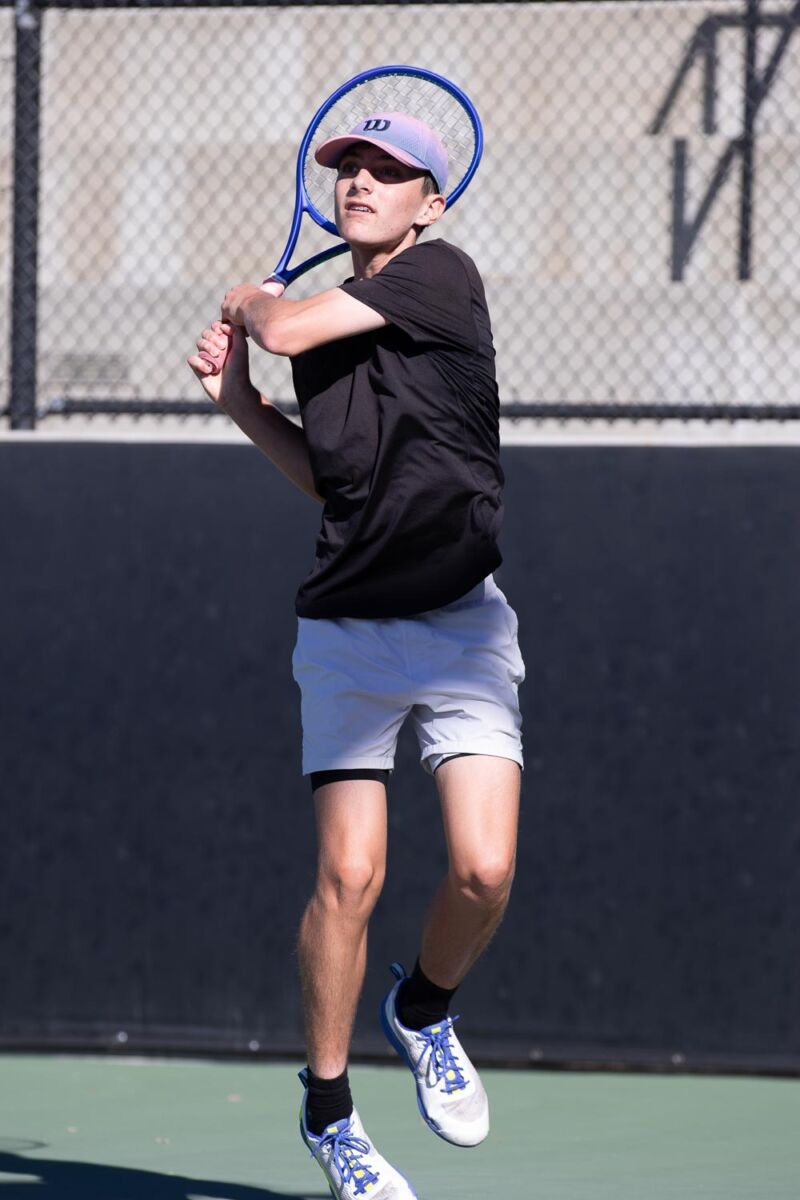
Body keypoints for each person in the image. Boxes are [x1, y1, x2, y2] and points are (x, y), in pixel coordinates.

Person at [188, 110, 525, 1200]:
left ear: (432, 201)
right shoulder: (329, 322)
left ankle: (421, 1008)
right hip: (346, 629)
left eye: (390, 169)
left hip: (462, 626)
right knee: (349, 874)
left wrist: (248, 305)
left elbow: (281, 327)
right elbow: (325, 478)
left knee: (483, 870)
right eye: (349, 167)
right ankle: (329, 1113)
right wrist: (241, 404)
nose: (362, 181)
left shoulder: (440, 276)